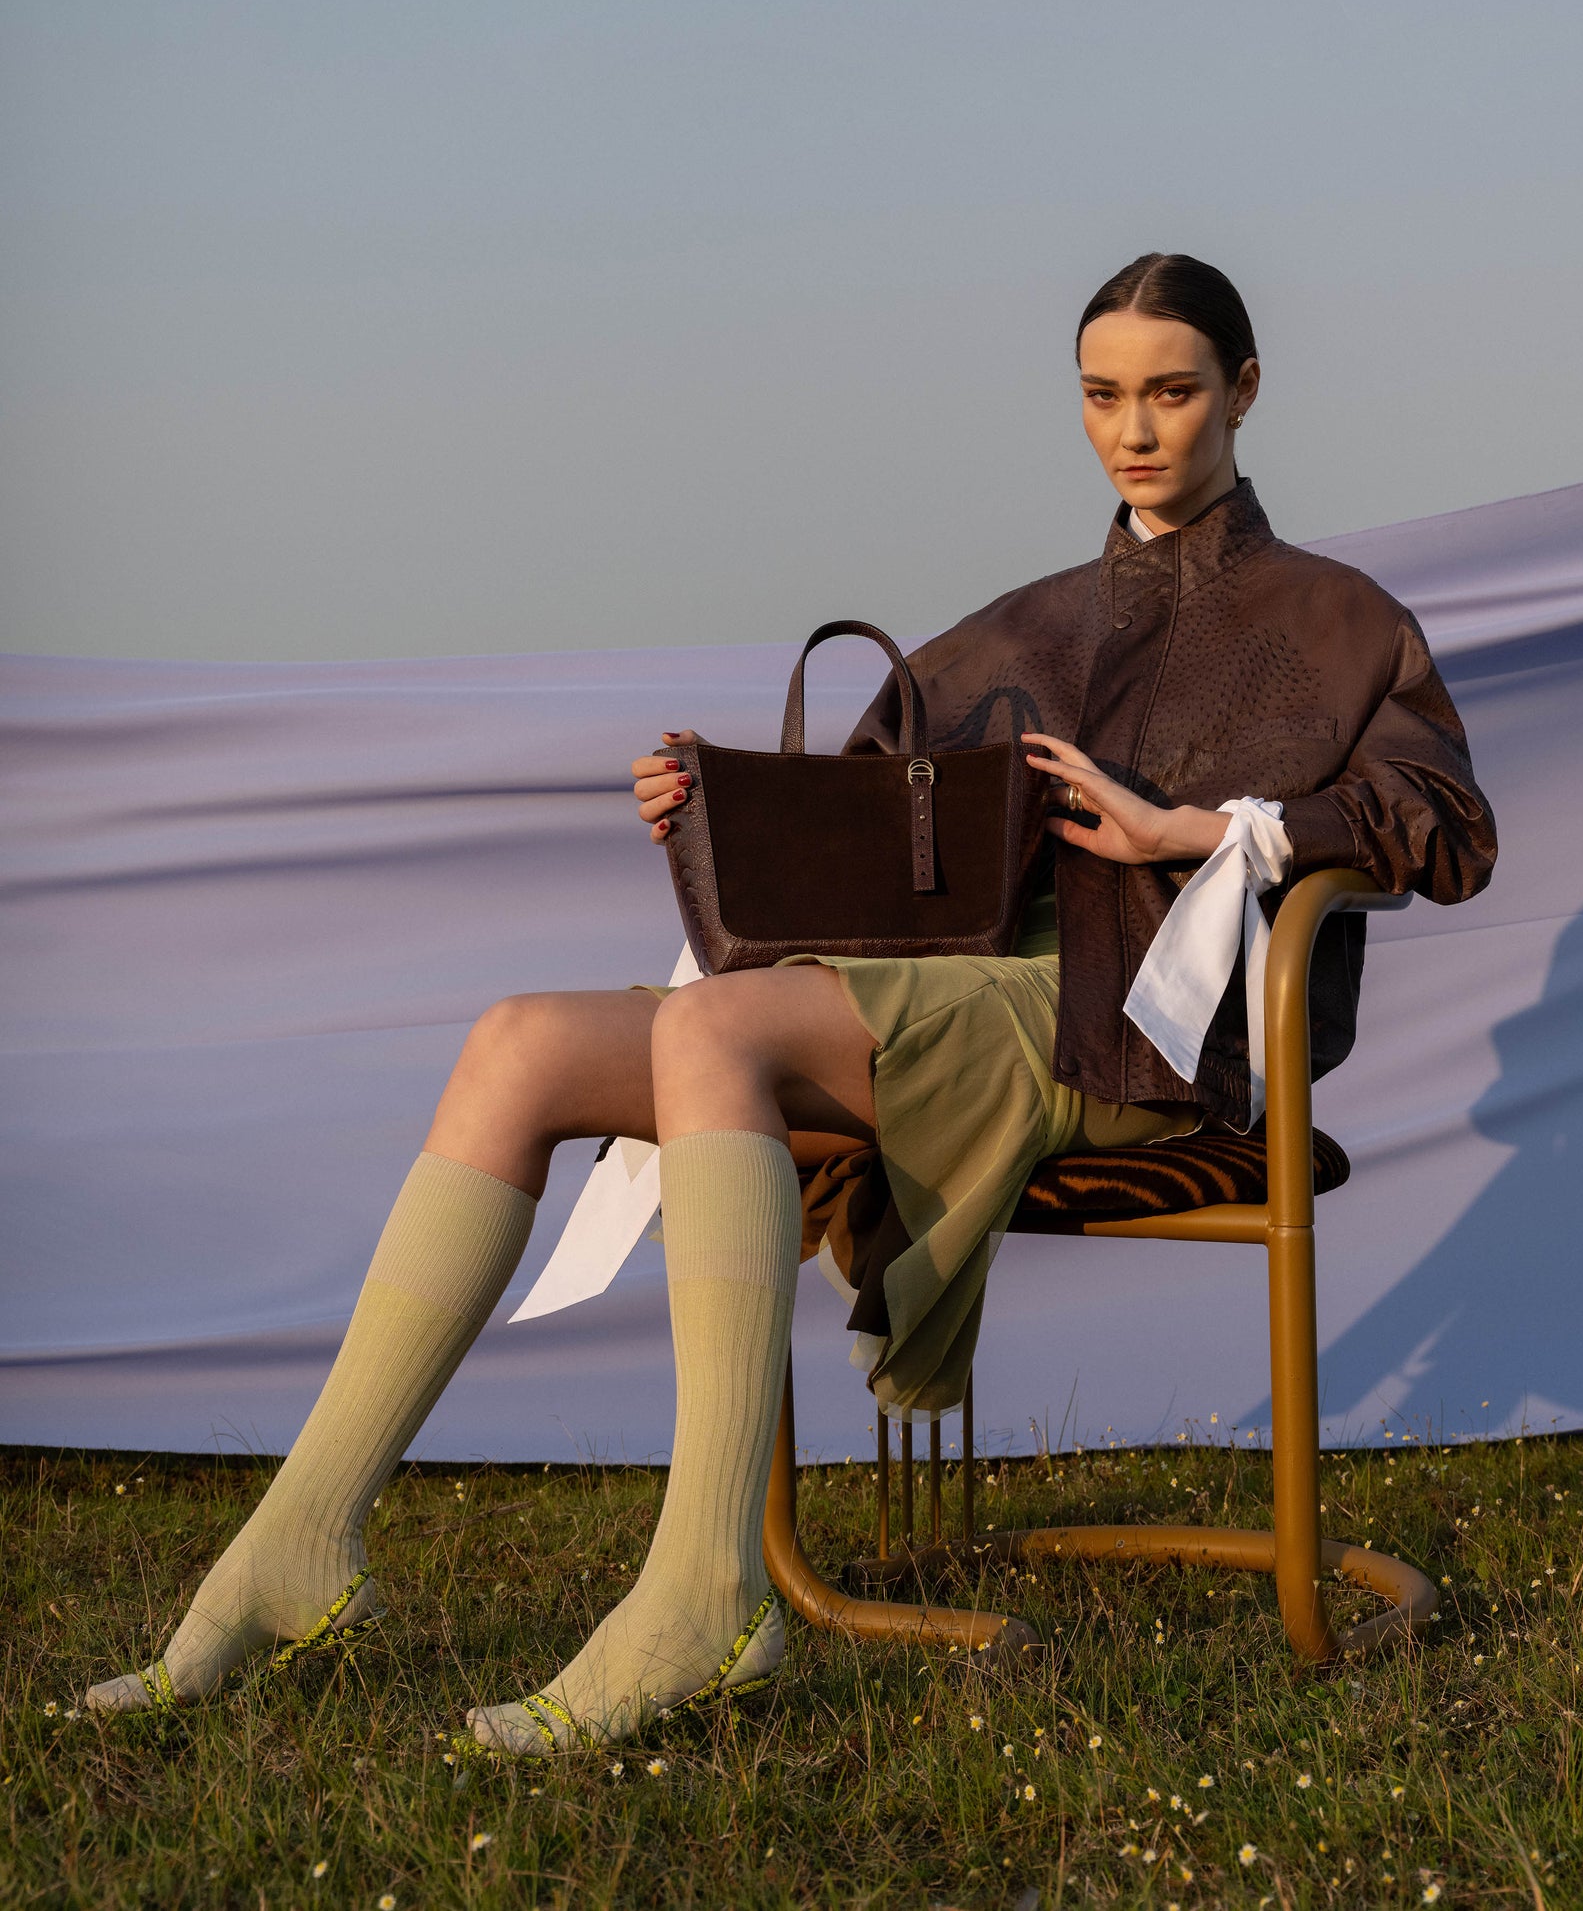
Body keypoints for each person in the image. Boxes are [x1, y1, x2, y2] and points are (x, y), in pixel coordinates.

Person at [87, 251, 1496, 1750]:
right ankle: (298, 1545)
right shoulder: (1023, 624)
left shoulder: (1341, 622)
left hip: (1136, 1036)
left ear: (1245, 392)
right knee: (516, 1044)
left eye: (1172, 393)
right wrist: (715, 809)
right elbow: (868, 821)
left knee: (713, 1029)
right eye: (1102, 396)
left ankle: (707, 1602)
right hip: (950, 1000)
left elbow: (1449, 829)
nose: (1134, 430)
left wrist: (1198, 830)